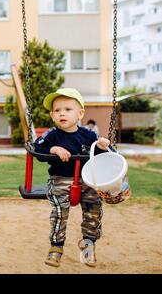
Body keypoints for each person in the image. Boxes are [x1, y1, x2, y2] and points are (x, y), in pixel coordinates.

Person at [33, 88, 110, 268]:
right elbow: (37, 148)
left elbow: (102, 154)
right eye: (57, 110)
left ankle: (88, 243)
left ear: (80, 113)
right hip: (60, 179)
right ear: (52, 115)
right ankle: (56, 247)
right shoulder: (52, 135)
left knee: (94, 208)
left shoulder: (89, 135)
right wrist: (53, 149)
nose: (62, 114)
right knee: (60, 212)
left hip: (87, 180)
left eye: (68, 109)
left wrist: (104, 146)